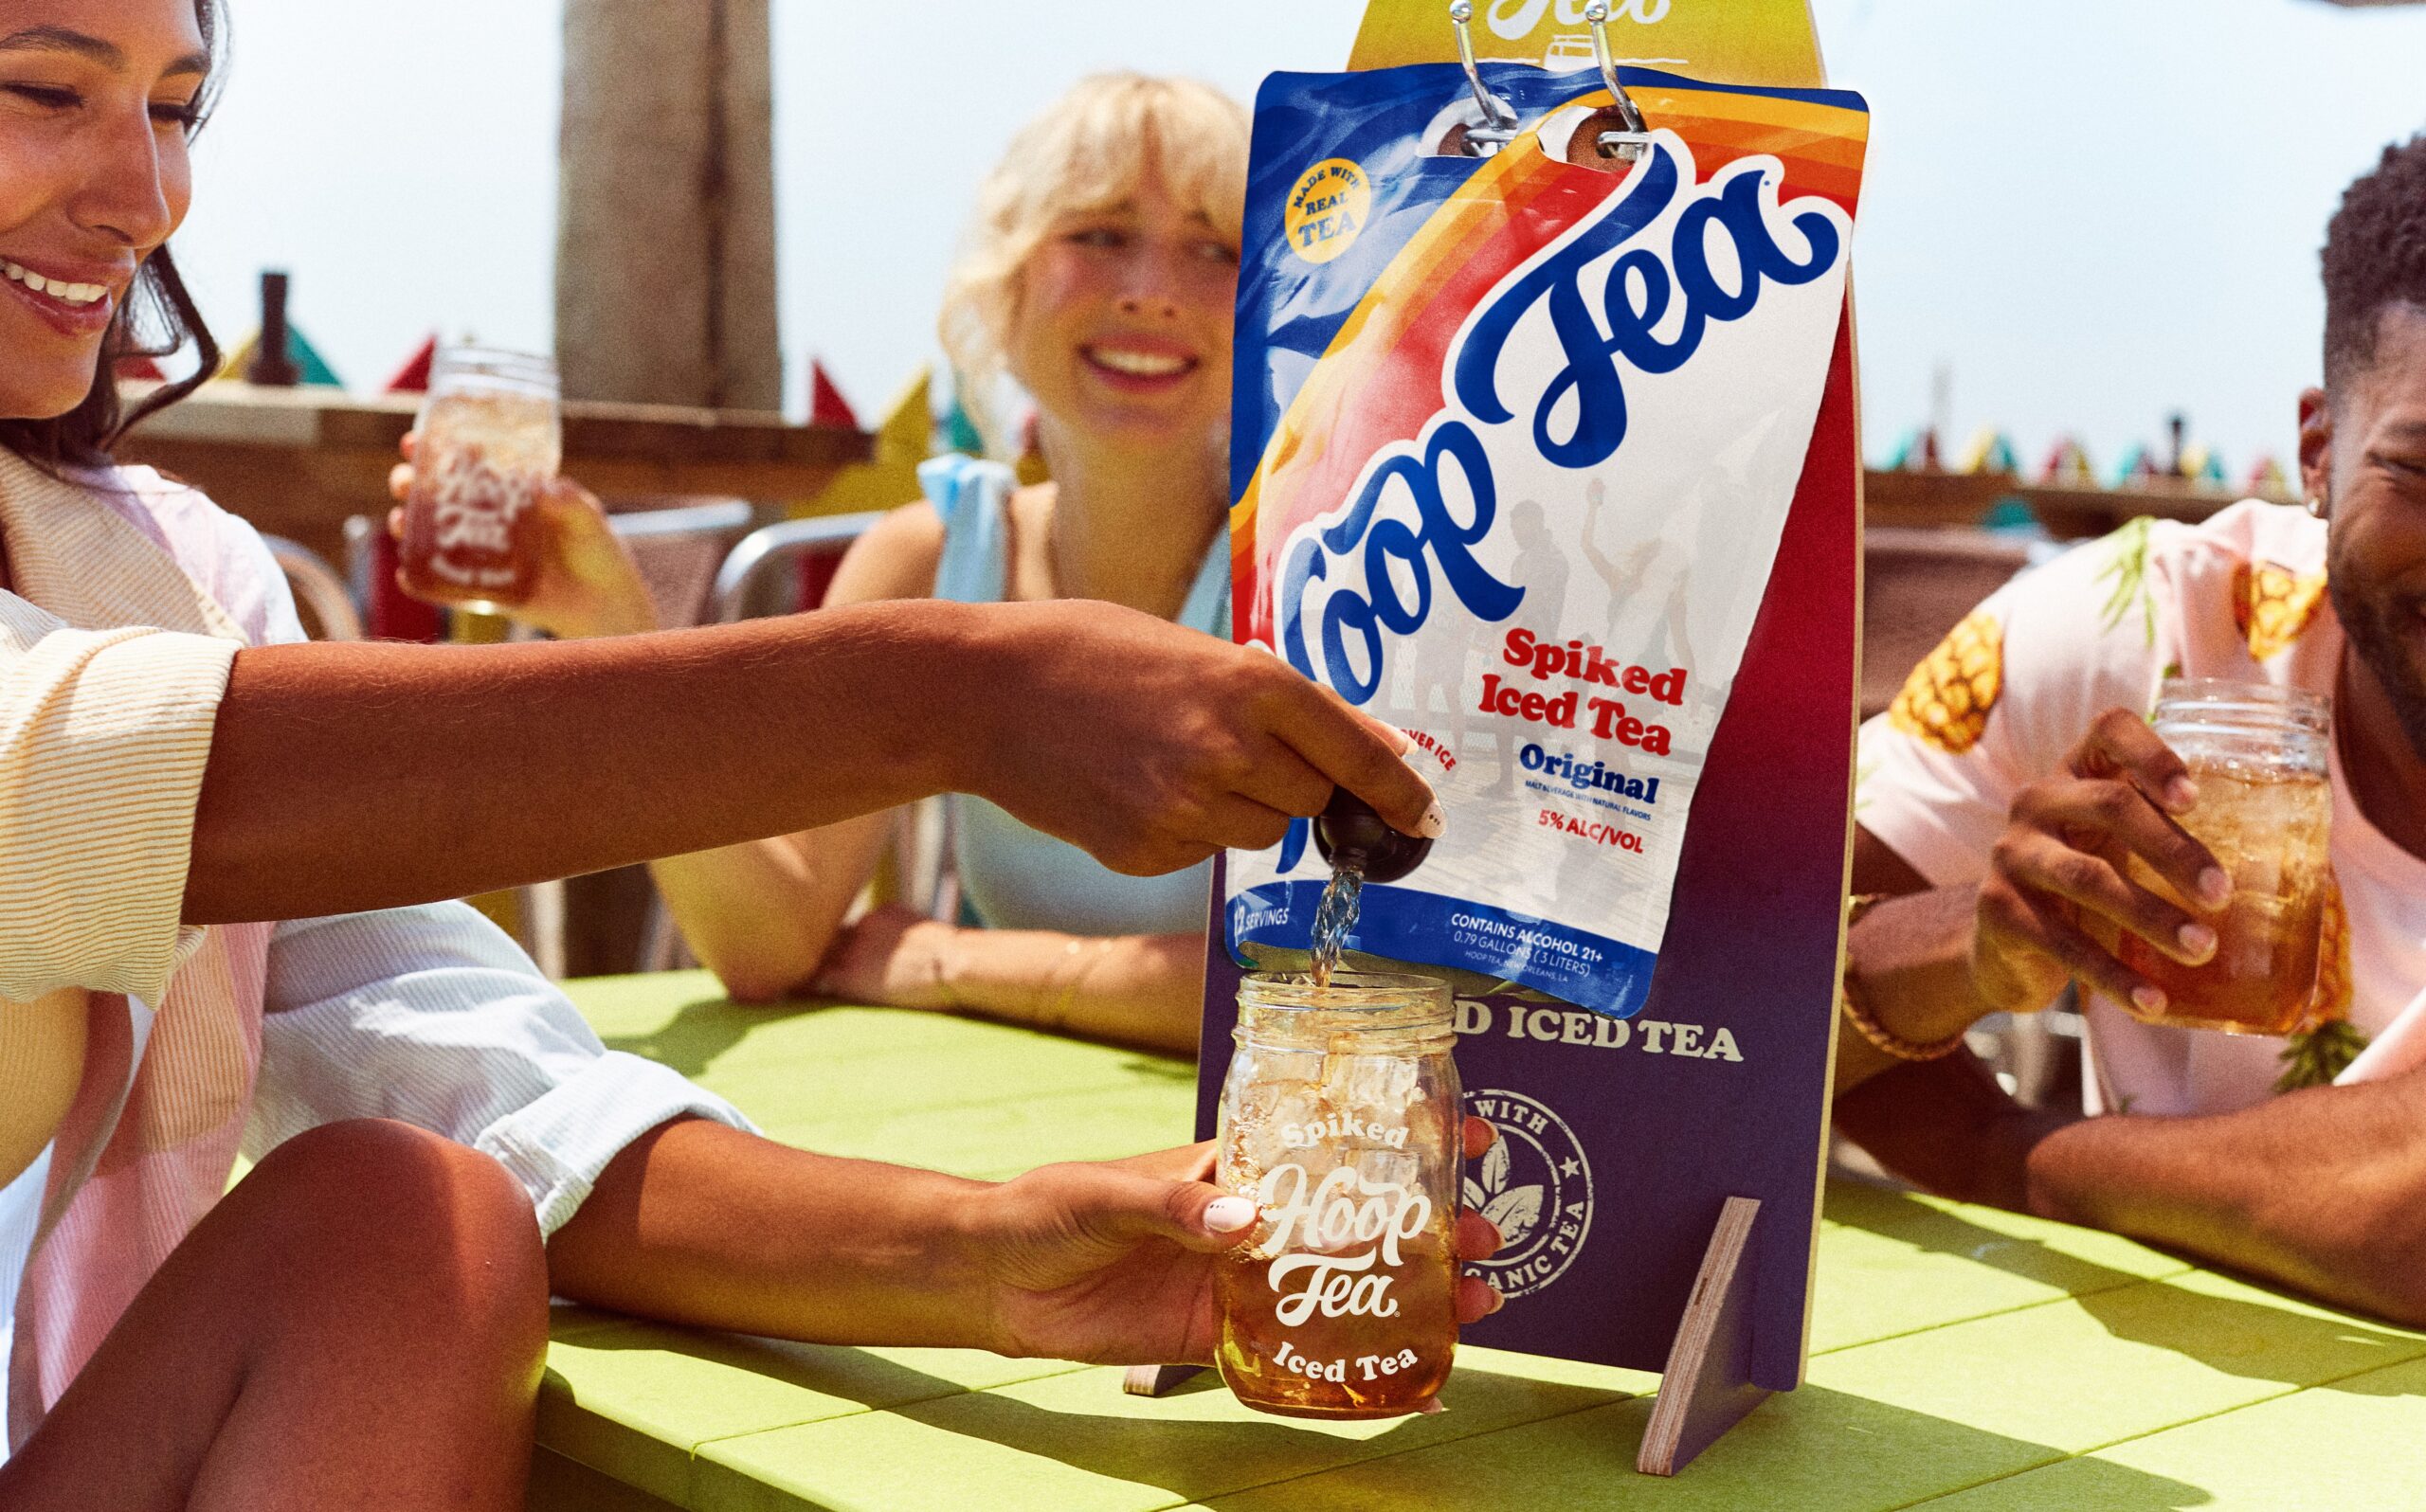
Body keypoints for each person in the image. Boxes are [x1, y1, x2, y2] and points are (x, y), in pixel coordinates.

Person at [0, 5, 1494, 1506]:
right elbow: (103, 790)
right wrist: (950, 693)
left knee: (408, 1214)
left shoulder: (177, 579)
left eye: (180, 110)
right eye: (46, 89)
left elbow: (473, 1077)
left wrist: (994, 1259)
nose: (147, 194)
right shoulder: (940, 558)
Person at [409, 76, 1259, 1053]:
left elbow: (1359, 984)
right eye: (1101, 234)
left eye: (1215, 248)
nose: (1150, 288)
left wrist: (960, 963)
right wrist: (614, 624)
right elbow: (770, 941)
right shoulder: (932, 556)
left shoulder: (1326, 573)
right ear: (1007, 280)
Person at [1834, 134, 2426, 1327]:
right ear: (2316, 451)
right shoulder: (2143, 632)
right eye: (2423, 473)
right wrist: (1977, 941)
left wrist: (2013, 1158)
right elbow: (1724, 1009)